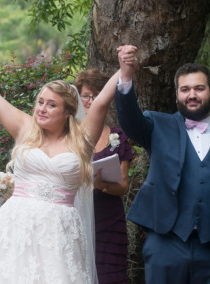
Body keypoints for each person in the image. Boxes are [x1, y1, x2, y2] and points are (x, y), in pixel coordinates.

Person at [0, 56, 134, 283]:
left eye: (51, 104)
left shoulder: (81, 140)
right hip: (16, 224)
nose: (42, 109)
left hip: (59, 229)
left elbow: (102, 100)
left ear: (67, 112)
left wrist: (125, 69)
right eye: (40, 102)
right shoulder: (25, 128)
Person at [115, 45, 210, 283]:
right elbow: (129, 120)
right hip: (165, 245)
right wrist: (126, 76)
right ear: (177, 94)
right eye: (185, 89)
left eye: (199, 88)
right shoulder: (157, 125)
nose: (192, 94)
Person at [74, 69, 133, 284]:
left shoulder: (118, 136)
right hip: (75, 217)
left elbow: (123, 185)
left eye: (97, 95)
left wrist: (102, 186)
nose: (91, 100)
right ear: (78, 98)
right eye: (87, 95)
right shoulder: (66, 133)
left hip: (108, 219)